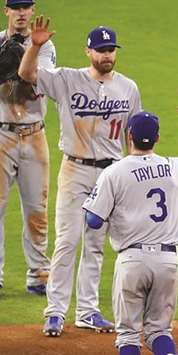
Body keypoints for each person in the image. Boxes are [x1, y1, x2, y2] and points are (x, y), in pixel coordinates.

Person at [18, 17, 142, 336]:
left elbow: (133, 135)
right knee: (68, 241)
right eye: (101, 50)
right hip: (75, 169)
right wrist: (35, 45)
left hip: (111, 174)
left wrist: (131, 175)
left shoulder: (128, 88)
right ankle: (55, 311)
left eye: (111, 50)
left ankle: (87, 311)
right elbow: (27, 74)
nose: (107, 56)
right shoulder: (66, 80)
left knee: (95, 243)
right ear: (88, 52)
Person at [83, 96, 178, 355]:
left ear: (128, 135)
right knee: (159, 332)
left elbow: (93, 220)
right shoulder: (175, 168)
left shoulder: (114, 172)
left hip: (132, 261)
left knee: (129, 335)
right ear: (157, 138)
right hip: (168, 262)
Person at [0, 0, 55, 295]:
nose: (21, 12)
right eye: (15, 7)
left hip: (34, 135)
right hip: (1, 136)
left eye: (26, 6)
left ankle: (39, 275)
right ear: (6, 10)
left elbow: (33, 80)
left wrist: (28, 49)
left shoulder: (44, 46)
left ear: (32, 10)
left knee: (37, 208)